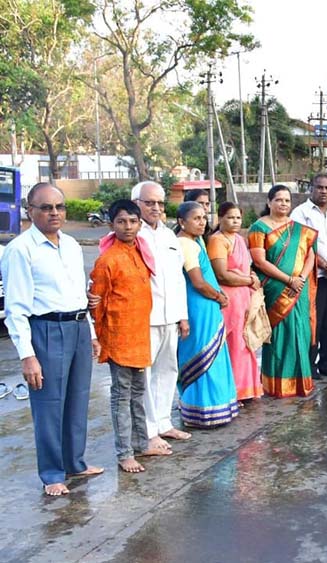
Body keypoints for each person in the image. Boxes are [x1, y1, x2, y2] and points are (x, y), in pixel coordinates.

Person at [0, 183, 103, 496]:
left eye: (58, 206)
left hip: (77, 328)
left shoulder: (71, 245)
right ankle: (52, 473)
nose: (54, 212)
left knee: (77, 398)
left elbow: (77, 294)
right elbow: (15, 309)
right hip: (45, 330)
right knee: (49, 404)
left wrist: (92, 332)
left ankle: (76, 462)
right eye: (45, 207)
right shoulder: (20, 250)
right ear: (30, 211)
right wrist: (27, 355)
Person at [90, 199, 156, 472]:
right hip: (119, 337)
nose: (128, 227)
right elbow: (97, 304)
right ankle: (124, 453)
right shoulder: (107, 259)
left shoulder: (140, 252)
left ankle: (142, 444)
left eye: (132, 221)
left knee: (139, 392)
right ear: (111, 224)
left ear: (140, 224)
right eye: (121, 221)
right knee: (121, 395)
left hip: (139, 335)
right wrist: (99, 337)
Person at [132, 181, 191, 451]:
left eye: (159, 203)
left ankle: (164, 422)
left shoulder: (169, 236)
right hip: (144, 317)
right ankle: (148, 431)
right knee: (143, 376)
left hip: (170, 316)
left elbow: (178, 279)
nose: (155, 208)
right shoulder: (132, 235)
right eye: (149, 202)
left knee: (168, 370)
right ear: (137, 204)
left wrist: (182, 316)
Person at [248, 185, 317, 397]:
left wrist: (301, 279)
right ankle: (277, 384)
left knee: (301, 333)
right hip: (275, 288)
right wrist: (289, 280)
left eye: (287, 200)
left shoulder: (300, 229)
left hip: (299, 290)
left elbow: (311, 256)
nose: (283, 204)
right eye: (279, 200)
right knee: (279, 337)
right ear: (269, 202)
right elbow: (259, 261)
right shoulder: (259, 228)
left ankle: (301, 382)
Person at [175, 202, 239, 427]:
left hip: (207, 306)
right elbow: (198, 282)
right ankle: (202, 411)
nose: (202, 222)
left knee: (215, 354)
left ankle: (217, 407)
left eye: (204, 217)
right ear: (182, 222)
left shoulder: (196, 240)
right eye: (196, 218)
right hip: (199, 307)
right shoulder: (185, 243)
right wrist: (219, 297)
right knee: (203, 356)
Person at [291, 173, 327, 379]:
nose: (324, 191)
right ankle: (310, 365)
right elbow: (302, 245)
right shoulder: (300, 213)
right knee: (313, 320)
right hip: (313, 276)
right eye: (319, 187)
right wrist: (326, 265)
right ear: (311, 188)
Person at [208, 202, 263, 402]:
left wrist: (252, 279)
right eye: (230, 217)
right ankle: (231, 392)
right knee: (231, 343)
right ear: (220, 219)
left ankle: (247, 389)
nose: (235, 221)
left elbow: (246, 267)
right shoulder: (217, 240)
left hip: (244, 299)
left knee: (245, 342)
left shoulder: (240, 239)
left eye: (238, 217)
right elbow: (222, 275)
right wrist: (249, 280)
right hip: (228, 299)